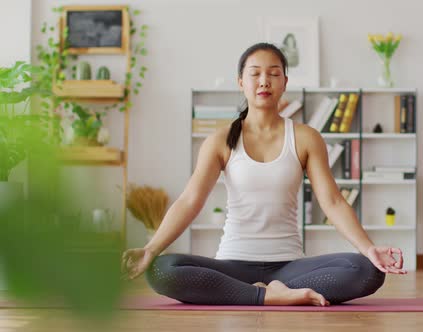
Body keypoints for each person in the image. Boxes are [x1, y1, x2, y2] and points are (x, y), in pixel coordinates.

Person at [120, 42, 407, 307]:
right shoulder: (220, 140)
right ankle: (267, 296)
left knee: (367, 271)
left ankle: (262, 293)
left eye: (273, 73)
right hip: (232, 264)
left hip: (289, 266)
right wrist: (150, 248)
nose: (264, 81)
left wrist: (369, 248)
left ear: (285, 82)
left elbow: (332, 201)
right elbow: (190, 200)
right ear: (241, 82)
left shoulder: (306, 138)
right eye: (255, 73)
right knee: (160, 269)